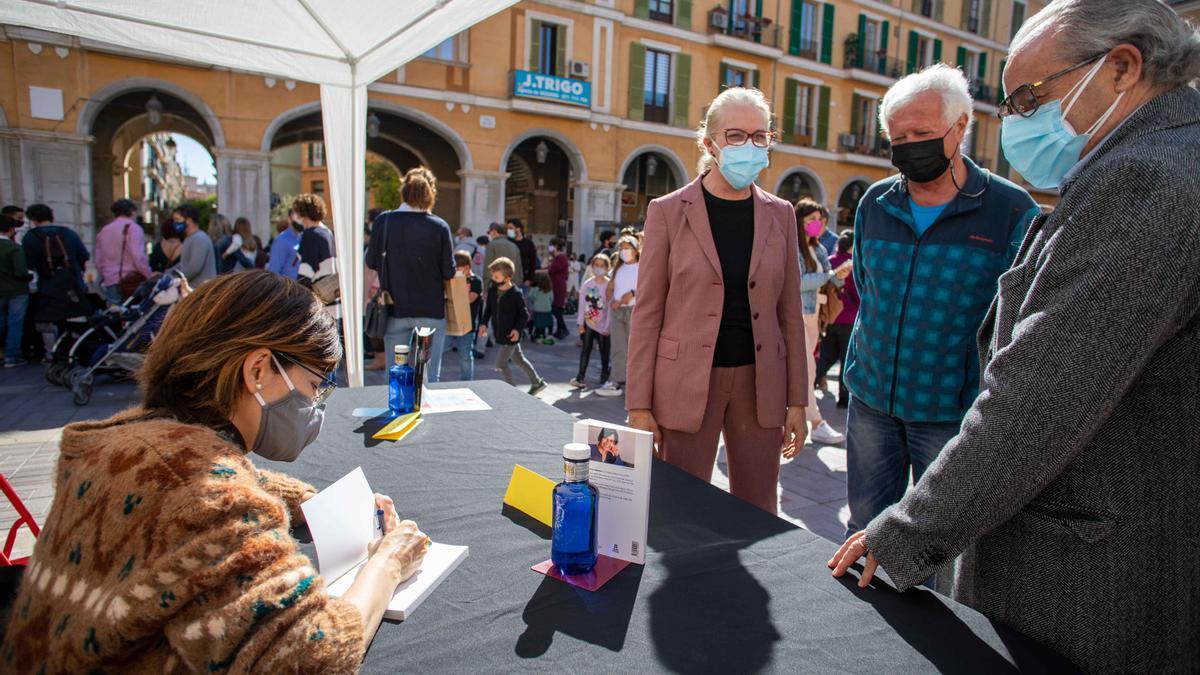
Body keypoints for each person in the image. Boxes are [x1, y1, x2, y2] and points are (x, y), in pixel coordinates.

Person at [829, 3, 1200, 669]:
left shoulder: (1141, 177)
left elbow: (1041, 391)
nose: (1019, 119)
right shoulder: (1153, 159)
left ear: (1121, 68)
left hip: (1086, 573)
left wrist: (907, 532)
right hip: (880, 404)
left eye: (1030, 96)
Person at [0, 270, 430, 672]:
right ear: (258, 370)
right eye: (316, 385)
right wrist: (389, 563)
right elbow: (314, 655)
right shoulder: (201, 495)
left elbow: (209, 482)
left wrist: (310, 502)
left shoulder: (131, 443)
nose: (317, 404)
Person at [839, 64, 1037, 539]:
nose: (909, 145)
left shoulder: (1011, 211)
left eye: (922, 132)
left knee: (939, 542)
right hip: (871, 402)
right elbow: (869, 290)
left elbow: (1014, 320)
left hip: (953, 412)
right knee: (864, 529)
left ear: (960, 126)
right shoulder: (874, 203)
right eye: (898, 136)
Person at [626, 87, 809, 514]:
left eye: (760, 136)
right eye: (736, 135)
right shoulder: (668, 211)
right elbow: (647, 313)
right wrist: (639, 406)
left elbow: (789, 313)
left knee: (758, 509)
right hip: (685, 383)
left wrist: (798, 400)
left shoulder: (780, 213)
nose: (750, 146)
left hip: (760, 384)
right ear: (709, 144)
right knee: (680, 509)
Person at [365, 168, 455, 384]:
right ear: (430, 194)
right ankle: (426, 413)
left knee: (395, 374)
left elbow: (371, 261)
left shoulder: (383, 221)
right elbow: (448, 272)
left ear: (403, 191)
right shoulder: (440, 226)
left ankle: (398, 415)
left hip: (395, 308)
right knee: (428, 378)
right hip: (431, 310)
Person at [795, 199, 850, 446]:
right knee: (807, 369)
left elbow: (827, 281)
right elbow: (801, 281)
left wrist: (839, 277)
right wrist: (829, 275)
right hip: (799, 313)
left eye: (820, 220)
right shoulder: (794, 249)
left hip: (816, 315)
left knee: (805, 369)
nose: (817, 225)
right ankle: (816, 422)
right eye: (811, 220)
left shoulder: (818, 249)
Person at [22, 203, 92, 353]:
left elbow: (29, 263)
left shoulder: (30, 237)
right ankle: (74, 348)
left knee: (53, 318)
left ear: (33, 219)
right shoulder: (69, 233)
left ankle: (53, 350)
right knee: (75, 317)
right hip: (72, 283)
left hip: (47, 284)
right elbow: (84, 255)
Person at [478, 257, 546, 395]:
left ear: (507, 277)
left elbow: (524, 315)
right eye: (492, 275)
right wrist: (484, 324)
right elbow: (489, 309)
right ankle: (537, 382)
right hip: (500, 332)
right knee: (519, 359)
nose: (493, 279)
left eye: (496, 276)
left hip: (510, 335)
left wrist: (517, 329)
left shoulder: (515, 294)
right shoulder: (492, 289)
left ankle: (513, 392)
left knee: (500, 364)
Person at [814, 232, 858, 409]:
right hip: (849, 317)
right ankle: (843, 398)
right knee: (846, 359)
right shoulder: (854, 264)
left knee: (826, 356)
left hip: (829, 316)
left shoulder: (830, 260)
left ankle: (809, 384)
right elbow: (858, 291)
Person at [597, 235, 641, 398]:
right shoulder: (618, 268)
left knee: (634, 349)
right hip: (617, 311)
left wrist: (631, 294)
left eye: (627, 248)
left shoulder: (642, 267)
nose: (624, 252)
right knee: (618, 347)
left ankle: (634, 383)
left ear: (636, 250)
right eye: (621, 248)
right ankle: (616, 380)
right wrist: (612, 297)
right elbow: (610, 288)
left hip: (633, 310)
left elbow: (647, 288)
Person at [94, 199, 153, 305]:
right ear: (132, 212)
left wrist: (105, 275)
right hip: (131, 281)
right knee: (133, 317)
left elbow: (98, 260)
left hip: (110, 281)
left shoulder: (104, 230)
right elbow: (138, 256)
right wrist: (148, 274)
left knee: (116, 316)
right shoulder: (134, 228)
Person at [293, 194, 339, 322]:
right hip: (333, 298)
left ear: (302, 213)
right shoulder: (328, 233)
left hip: (319, 303)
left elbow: (306, 272)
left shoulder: (310, 235)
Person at [571, 253, 612, 390]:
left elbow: (611, 307)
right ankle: (580, 376)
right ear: (592, 267)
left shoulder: (609, 285)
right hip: (589, 323)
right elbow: (582, 305)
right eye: (596, 265)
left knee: (604, 352)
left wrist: (608, 326)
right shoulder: (587, 284)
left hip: (604, 325)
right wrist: (580, 323)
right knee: (586, 349)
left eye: (602, 266)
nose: (599, 268)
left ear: (607, 267)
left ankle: (605, 375)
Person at [0, 214, 30, 367]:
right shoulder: (14, 248)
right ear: (11, 230)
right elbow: (20, 272)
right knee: (15, 323)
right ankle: (12, 356)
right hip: (16, 290)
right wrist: (29, 276)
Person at [169, 204, 217, 286]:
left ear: (189, 220)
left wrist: (173, 280)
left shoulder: (199, 238)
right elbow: (184, 263)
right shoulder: (190, 238)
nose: (175, 223)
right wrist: (168, 273)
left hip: (201, 291)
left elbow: (194, 268)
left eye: (177, 220)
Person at [452, 251, 482, 380]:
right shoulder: (453, 279)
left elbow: (470, 298)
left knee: (464, 355)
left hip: (467, 325)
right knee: (439, 350)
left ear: (467, 267)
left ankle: (466, 381)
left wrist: (459, 285)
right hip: (451, 323)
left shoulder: (476, 281)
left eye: (458, 268)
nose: (456, 271)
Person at [483, 223, 523, 292]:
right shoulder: (514, 246)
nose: (490, 235)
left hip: (496, 288)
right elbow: (519, 269)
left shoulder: (491, 245)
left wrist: (486, 289)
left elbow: (488, 269)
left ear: (494, 232)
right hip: (513, 286)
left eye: (490, 233)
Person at [267, 212, 302, 279]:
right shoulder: (281, 240)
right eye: (298, 217)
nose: (300, 220)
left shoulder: (305, 238)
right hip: (288, 287)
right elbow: (274, 271)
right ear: (289, 219)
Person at [508, 219, 537, 291]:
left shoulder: (528, 244)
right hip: (509, 280)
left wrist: (529, 279)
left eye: (511, 228)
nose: (509, 230)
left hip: (524, 280)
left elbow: (533, 262)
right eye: (508, 228)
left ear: (518, 229)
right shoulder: (508, 243)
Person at [527, 271, 555, 344]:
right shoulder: (549, 289)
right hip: (547, 309)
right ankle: (549, 335)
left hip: (538, 309)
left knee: (538, 323)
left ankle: (538, 336)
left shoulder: (535, 289)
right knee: (548, 323)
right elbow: (551, 299)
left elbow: (530, 297)